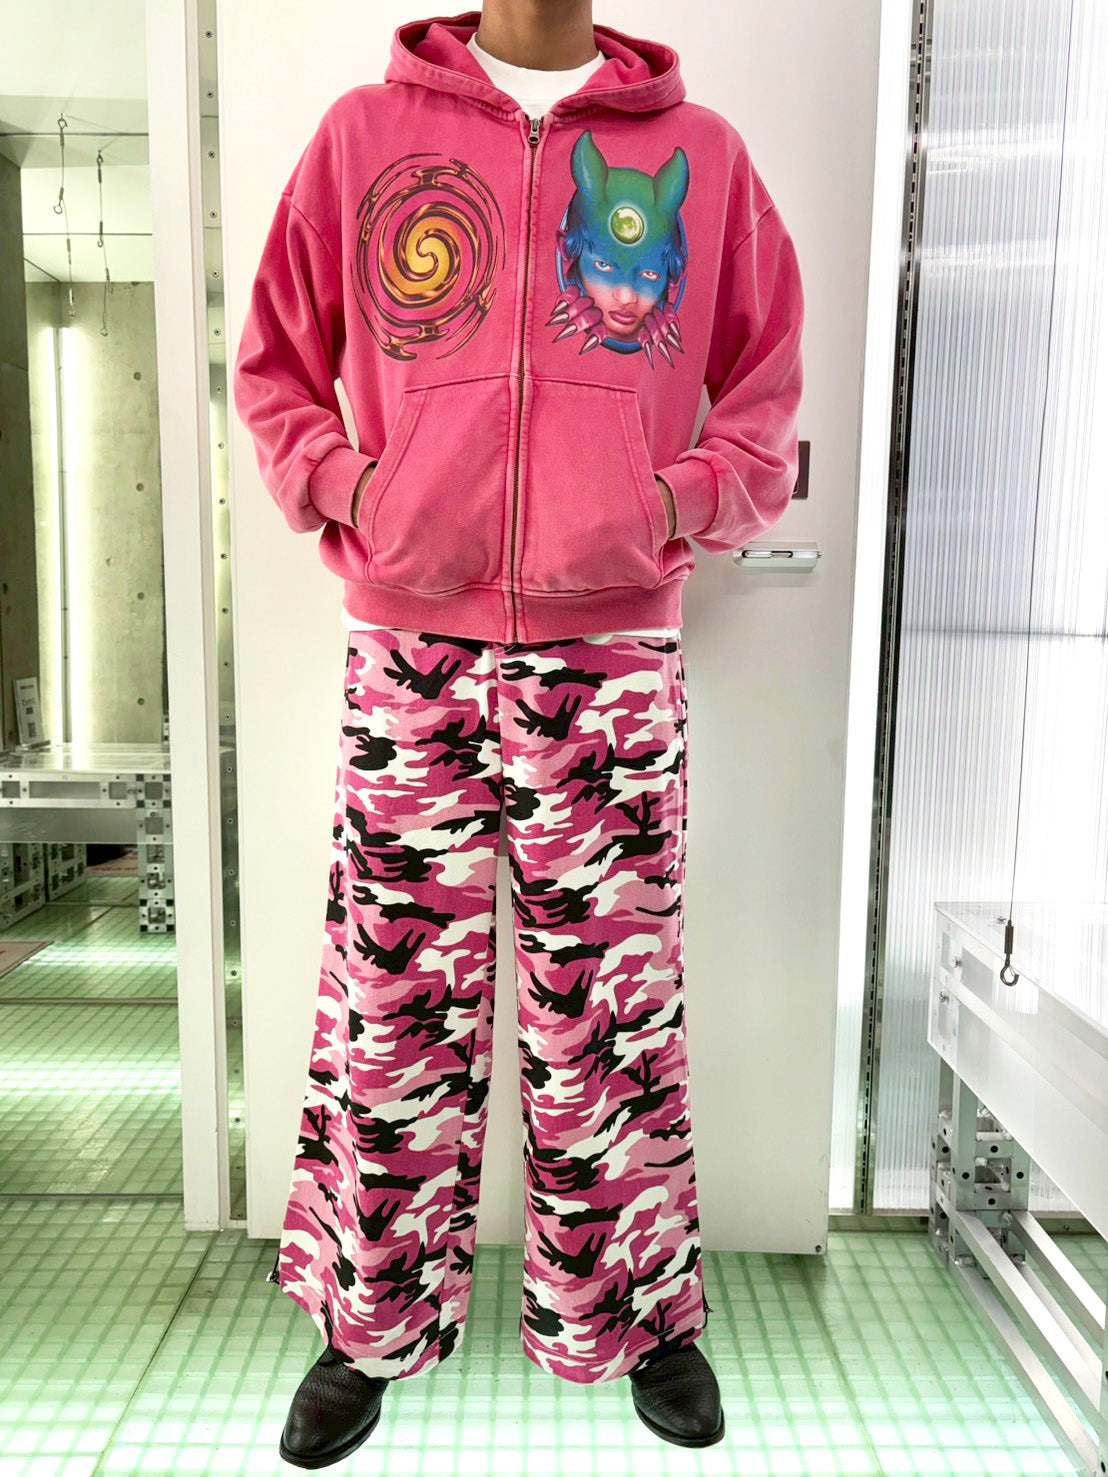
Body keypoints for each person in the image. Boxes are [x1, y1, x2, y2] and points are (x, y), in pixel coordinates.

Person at [233, 2, 804, 1464]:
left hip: (611, 651)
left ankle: (641, 1313)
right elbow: (275, 365)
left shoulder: (703, 156)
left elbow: (764, 391)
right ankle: (366, 1322)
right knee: (390, 1000)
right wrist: (354, 491)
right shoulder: (365, 138)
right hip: (410, 646)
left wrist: (672, 504)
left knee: (610, 1006)